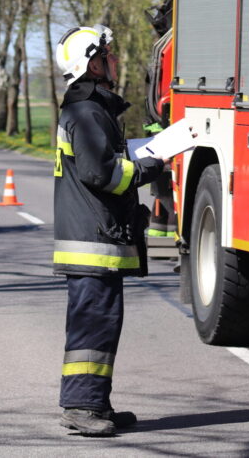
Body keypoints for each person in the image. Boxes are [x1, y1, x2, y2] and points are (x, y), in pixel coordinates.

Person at [52, 24, 166, 436]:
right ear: (93, 65)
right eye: (108, 54)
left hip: (96, 241)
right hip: (93, 244)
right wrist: (151, 165)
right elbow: (103, 174)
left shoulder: (89, 110)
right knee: (93, 326)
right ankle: (81, 407)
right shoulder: (87, 112)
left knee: (100, 325)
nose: (114, 59)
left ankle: (95, 403)